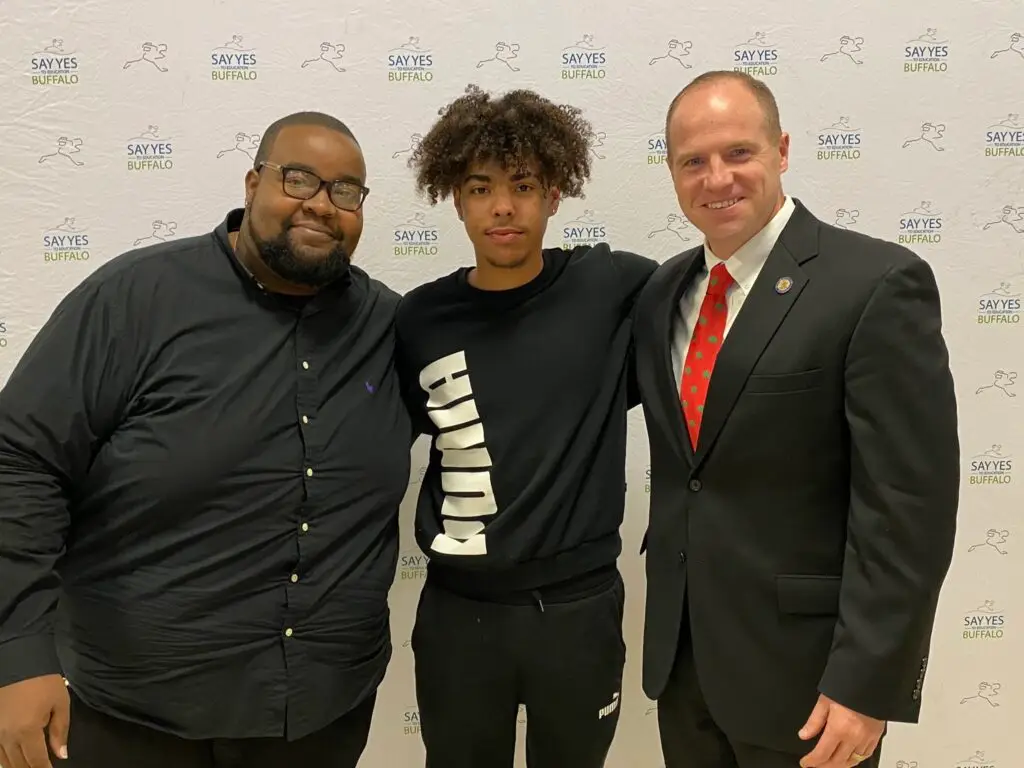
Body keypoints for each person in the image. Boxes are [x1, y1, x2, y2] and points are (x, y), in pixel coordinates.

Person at [0, 111, 413, 768]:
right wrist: (19, 654)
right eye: (298, 178)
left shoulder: (390, 326)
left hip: (320, 716)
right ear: (252, 184)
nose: (320, 204)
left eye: (345, 191)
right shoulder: (134, 299)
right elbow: (22, 462)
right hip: (137, 718)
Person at [632, 71, 959, 768]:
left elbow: (908, 508)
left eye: (738, 153)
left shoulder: (874, 284)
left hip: (811, 687)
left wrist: (868, 684)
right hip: (684, 673)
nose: (717, 178)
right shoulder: (662, 294)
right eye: (693, 161)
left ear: (781, 150)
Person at [395, 84, 657, 768]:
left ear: (554, 195)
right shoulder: (418, 319)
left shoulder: (612, 287)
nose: (503, 207)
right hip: (458, 613)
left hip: (579, 612)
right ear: (456, 199)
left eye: (523, 185)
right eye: (480, 188)